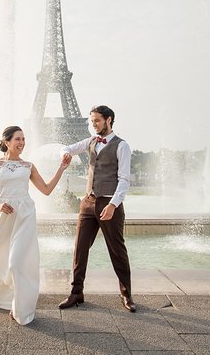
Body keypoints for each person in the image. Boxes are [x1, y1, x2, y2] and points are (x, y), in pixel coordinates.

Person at [0, 126, 71, 325]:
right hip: (1, 216)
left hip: (24, 215)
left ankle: (21, 306)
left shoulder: (29, 166)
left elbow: (46, 190)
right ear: (6, 142)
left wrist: (61, 168)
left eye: (24, 139)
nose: (22, 143)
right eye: (18, 139)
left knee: (17, 263)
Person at [58, 105, 136, 312]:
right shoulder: (91, 141)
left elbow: (124, 180)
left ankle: (126, 294)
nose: (93, 125)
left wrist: (113, 204)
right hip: (88, 202)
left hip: (110, 203)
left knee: (117, 250)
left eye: (97, 121)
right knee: (80, 249)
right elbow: (68, 148)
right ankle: (76, 293)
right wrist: (65, 154)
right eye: (91, 121)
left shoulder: (122, 146)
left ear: (109, 120)